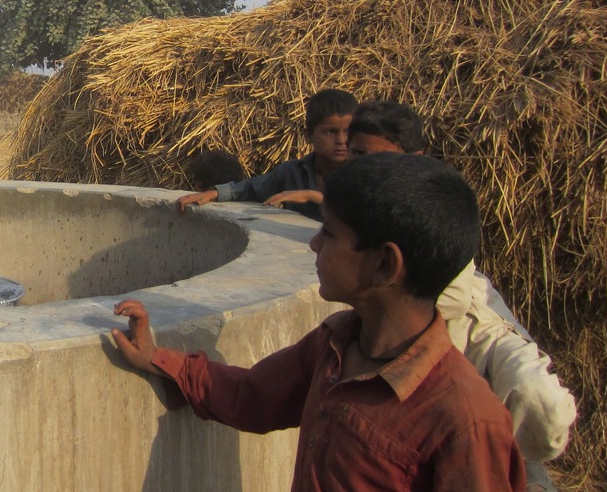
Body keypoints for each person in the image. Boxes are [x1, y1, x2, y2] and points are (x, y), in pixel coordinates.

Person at [114, 152, 526, 491]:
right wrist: (158, 358)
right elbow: (252, 396)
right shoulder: (335, 345)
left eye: (328, 234)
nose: (313, 242)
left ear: (384, 264)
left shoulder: (466, 420)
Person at [347, 101, 576, 471]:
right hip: (424, 334)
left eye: (382, 159)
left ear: (416, 158)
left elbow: (451, 298)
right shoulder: (354, 202)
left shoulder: (433, 199)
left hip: (470, 323)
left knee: (537, 404)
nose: (367, 169)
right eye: (357, 155)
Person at [176, 88, 356, 219]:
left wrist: (312, 196)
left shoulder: (361, 175)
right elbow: (249, 188)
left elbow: (361, 213)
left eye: (348, 132)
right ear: (309, 135)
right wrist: (212, 194)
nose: (341, 140)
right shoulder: (291, 172)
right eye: (330, 132)